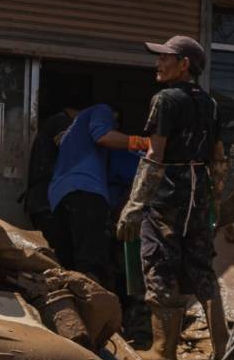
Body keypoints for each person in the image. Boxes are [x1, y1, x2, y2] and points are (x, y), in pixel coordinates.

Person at [115, 36, 228, 360]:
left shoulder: (165, 100)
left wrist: (134, 206)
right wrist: (215, 201)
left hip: (168, 194)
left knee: (159, 263)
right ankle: (222, 348)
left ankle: (163, 349)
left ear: (184, 65)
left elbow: (155, 155)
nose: (158, 63)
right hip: (199, 195)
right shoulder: (211, 103)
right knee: (202, 268)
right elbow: (219, 157)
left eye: (166, 57)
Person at [47, 100, 148, 292]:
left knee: (68, 265)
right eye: (114, 123)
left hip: (59, 198)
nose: (115, 127)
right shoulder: (101, 110)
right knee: (91, 265)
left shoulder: (72, 136)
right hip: (86, 194)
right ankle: (94, 312)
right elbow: (103, 136)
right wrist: (148, 143)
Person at [23, 104, 79, 233]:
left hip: (44, 202)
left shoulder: (57, 123)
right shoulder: (62, 122)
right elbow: (68, 148)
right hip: (46, 202)